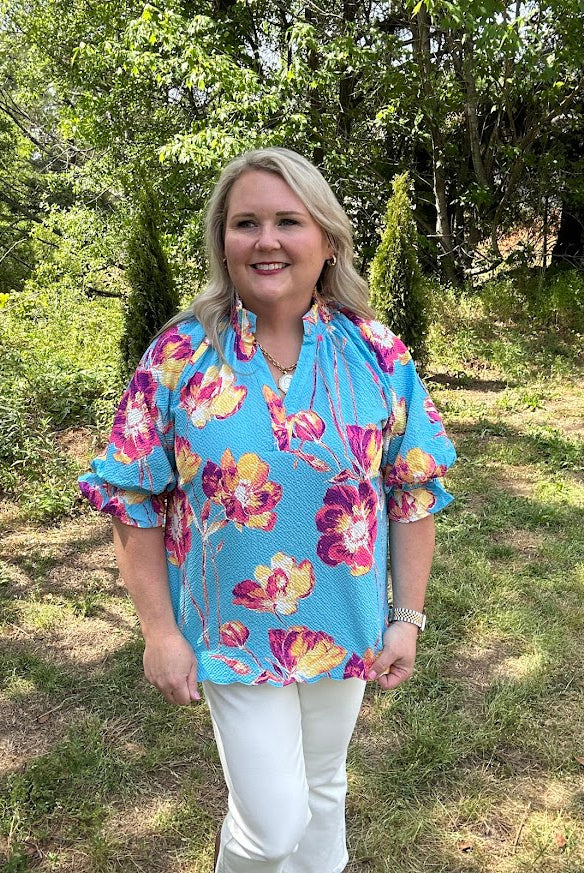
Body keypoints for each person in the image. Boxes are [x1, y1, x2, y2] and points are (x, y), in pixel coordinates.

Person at [79, 147, 456, 873]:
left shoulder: (376, 354)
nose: (266, 240)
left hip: (344, 622)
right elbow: (130, 494)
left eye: (288, 220)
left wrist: (407, 617)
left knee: (324, 788)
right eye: (245, 222)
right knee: (272, 825)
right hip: (232, 628)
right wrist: (160, 633)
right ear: (223, 241)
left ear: (327, 239)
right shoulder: (182, 354)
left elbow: (412, 491)